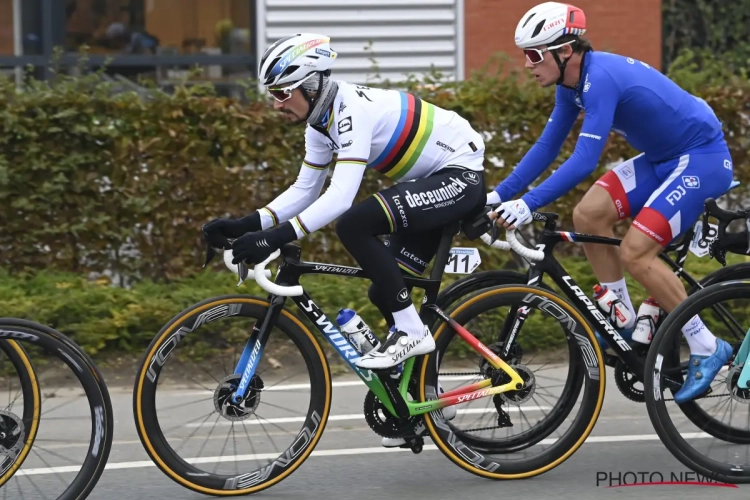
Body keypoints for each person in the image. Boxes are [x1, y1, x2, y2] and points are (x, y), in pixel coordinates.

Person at [202, 33, 486, 443]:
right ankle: (410, 400)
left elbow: (340, 197)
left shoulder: (349, 110)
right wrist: (247, 225)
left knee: (354, 224)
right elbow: (305, 190)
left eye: (283, 93)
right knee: (386, 290)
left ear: (311, 84)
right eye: (272, 94)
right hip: (430, 181)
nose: (276, 104)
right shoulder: (319, 123)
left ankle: (412, 332)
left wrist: (276, 237)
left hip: (458, 175)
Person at [488, 2, 734, 404]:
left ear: (564, 50)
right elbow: (548, 146)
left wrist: (528, 204)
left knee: (637, 253)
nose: (527, 65)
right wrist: (498, 195)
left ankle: (706, 344)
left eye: (533, 55)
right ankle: (621, 314)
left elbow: (585, 159)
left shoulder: (598, 78)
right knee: (589, 213)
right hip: (663, 158)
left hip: (701, 158)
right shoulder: (571, 85)